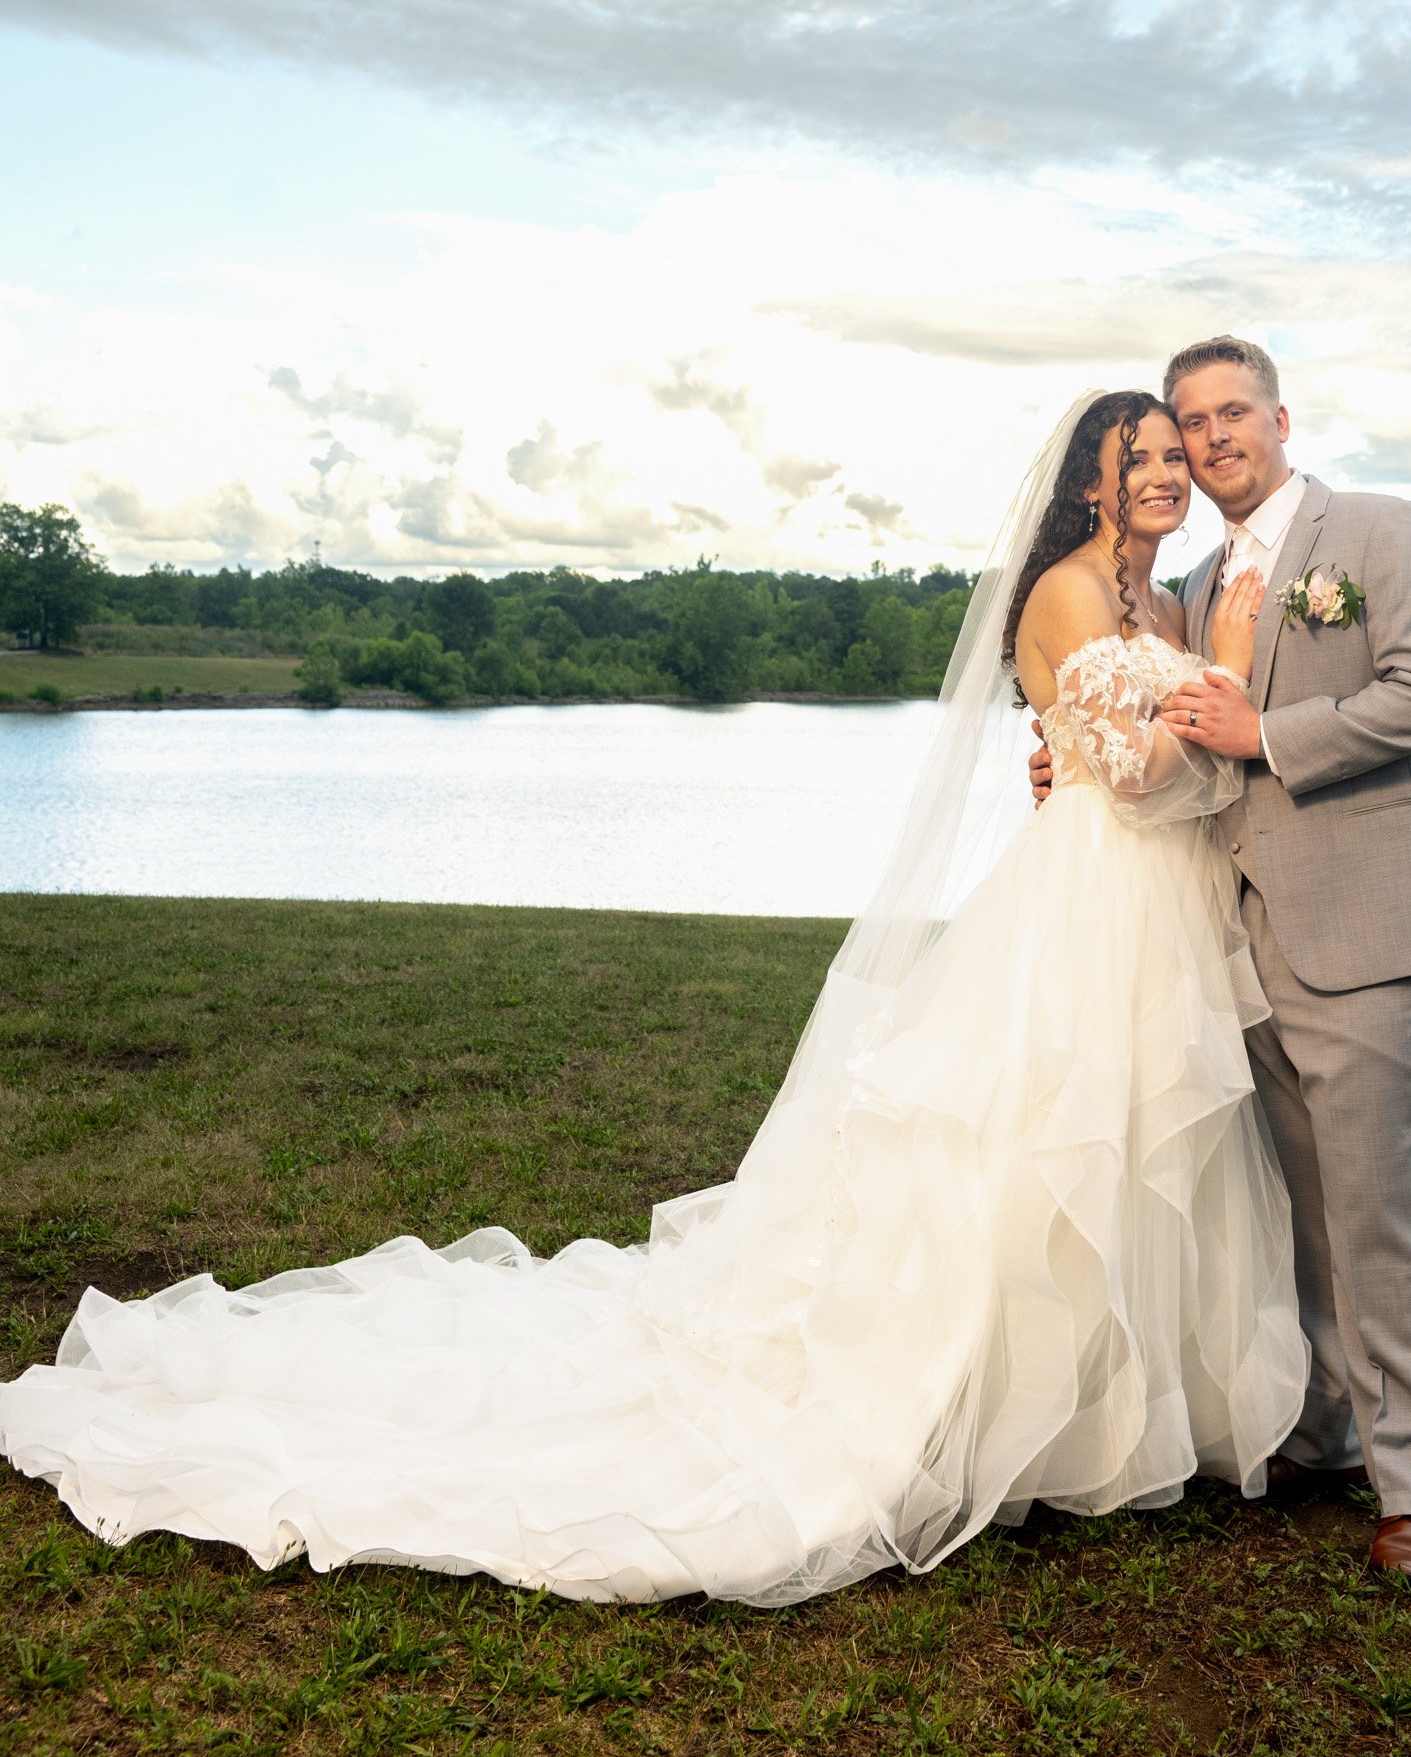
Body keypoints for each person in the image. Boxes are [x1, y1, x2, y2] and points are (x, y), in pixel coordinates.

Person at [0, 392, 1308, 1607]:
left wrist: (1209, 725)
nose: (1164, 478)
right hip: (1087, 894)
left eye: (1173, 459)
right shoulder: (1074, 597)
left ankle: (1121, 1409)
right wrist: (1215, 736)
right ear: (1090, 481)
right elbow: (1123, 774)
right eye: (1137, 460)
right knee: (1035, 1153)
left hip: (1154, 910)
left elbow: (1147, 752)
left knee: (1146, 1138)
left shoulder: (1168, 607)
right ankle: (998, 1411)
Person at [1032, 338, 1411, 1578]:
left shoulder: (1377, 532)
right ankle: (1325, 1429)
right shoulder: (1185, 581)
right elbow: (1149, 733)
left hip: (1360, 913)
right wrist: (1068, 758)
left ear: (1280, 418)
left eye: (1230, 414)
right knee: (1295, 1203)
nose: (1209, 439)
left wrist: (1266, 728)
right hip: (1223, 927)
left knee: (1377, 1206)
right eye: (1186, 425)